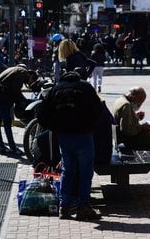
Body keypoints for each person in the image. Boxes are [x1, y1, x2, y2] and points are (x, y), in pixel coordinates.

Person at [37, 71, 102, 221]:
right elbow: (99, 110)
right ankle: (83, 206)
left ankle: (64, 207)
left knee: (67, 170)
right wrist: (90, 125)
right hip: (83, 135)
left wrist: (55, 127)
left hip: (64, 136)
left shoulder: (56, 89)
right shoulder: (85, 87)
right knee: (85, 171)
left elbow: (42, 114)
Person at [0, 65, 38, 155]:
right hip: (2, 96)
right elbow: (15, 91)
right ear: (31, 76)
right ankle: (13, 148)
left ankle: (1, 147)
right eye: (31, 81)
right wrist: (23, 102)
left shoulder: (17, 69)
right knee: (7, 122)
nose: (29, 84)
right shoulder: (23, 73)